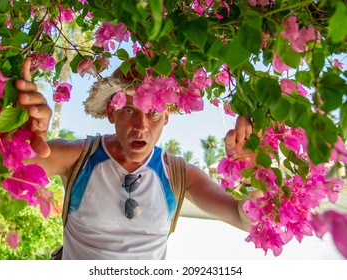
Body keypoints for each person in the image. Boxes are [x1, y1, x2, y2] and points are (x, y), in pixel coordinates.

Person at [15, 59, 256, 260]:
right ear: (112, 112)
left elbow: (246, 221)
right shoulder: (78, 158)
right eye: (129, 110)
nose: (141, 126)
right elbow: (10, 168)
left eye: (153, 113)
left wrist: (254, 172)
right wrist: (18, 136)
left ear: (166, 117)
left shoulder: (180, 175)